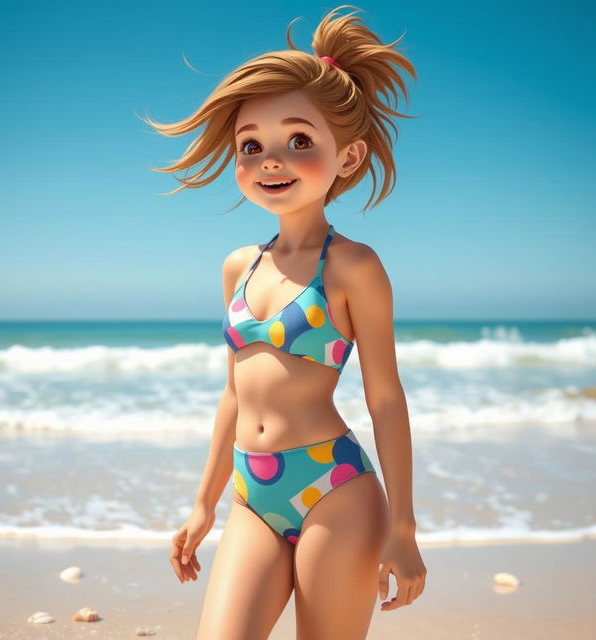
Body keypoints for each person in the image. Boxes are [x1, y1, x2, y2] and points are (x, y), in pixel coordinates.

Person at [144, 5, 426, 638]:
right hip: (251, 489)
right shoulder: (238, 266)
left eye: (299, 141)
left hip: (336, 487)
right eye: (252, 146)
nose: (272, 159)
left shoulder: (354, 267)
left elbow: (385, 398)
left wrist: (403, 528)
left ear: (348, 157)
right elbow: (232, 394)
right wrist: (201, 505)